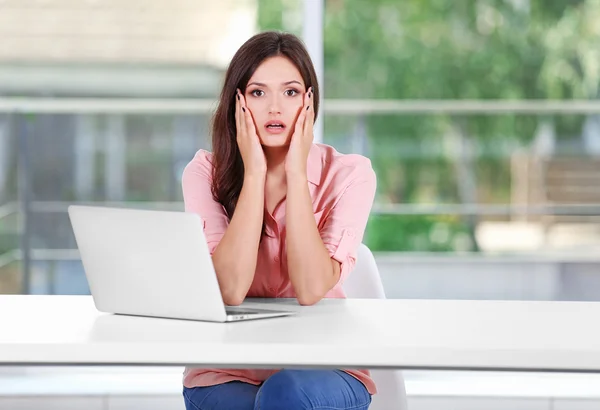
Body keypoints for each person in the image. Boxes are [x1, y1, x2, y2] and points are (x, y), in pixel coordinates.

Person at [181, 30, 377, 410]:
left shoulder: (351, 174)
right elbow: (230, 289)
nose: (275, 108)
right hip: (227, 369)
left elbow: (310, 289)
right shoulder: (204, 172)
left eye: (289, 93)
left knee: (283, 395)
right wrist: (254, 174)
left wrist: (296, 173)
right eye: (258, 93)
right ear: (237, 103)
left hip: (325, 366)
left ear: (309, 102)